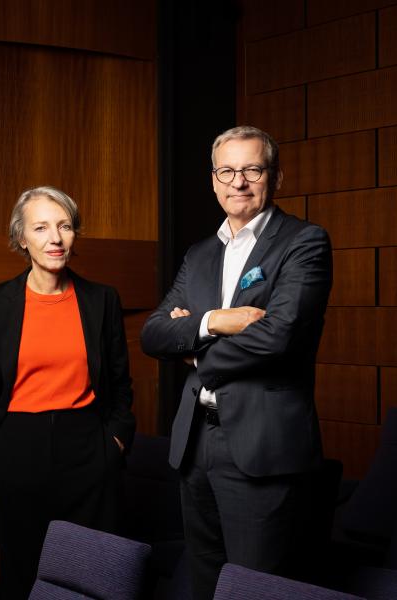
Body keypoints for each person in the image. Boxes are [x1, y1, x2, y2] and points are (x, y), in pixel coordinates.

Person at [141, 126, 333, 599]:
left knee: (255, 588)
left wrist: (195, 349)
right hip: (195, 442)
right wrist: (216, 320)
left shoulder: (304, 242)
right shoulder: (201, 254)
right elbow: (153, 333)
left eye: (252, 169)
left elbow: (278, 335)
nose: (238, 182)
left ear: (275, 177)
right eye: (227, 170)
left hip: (261, 446)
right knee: (205, 583)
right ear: (213, 179)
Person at [0, 185, 135, 600]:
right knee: (24, 571)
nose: (55, 238)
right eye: (40, 227)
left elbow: (121, 384)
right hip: (17, 449)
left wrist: (115, 444)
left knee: (94, 573)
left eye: (65, 226)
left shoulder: (101, 300)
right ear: (22, 238)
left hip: (89, 448)